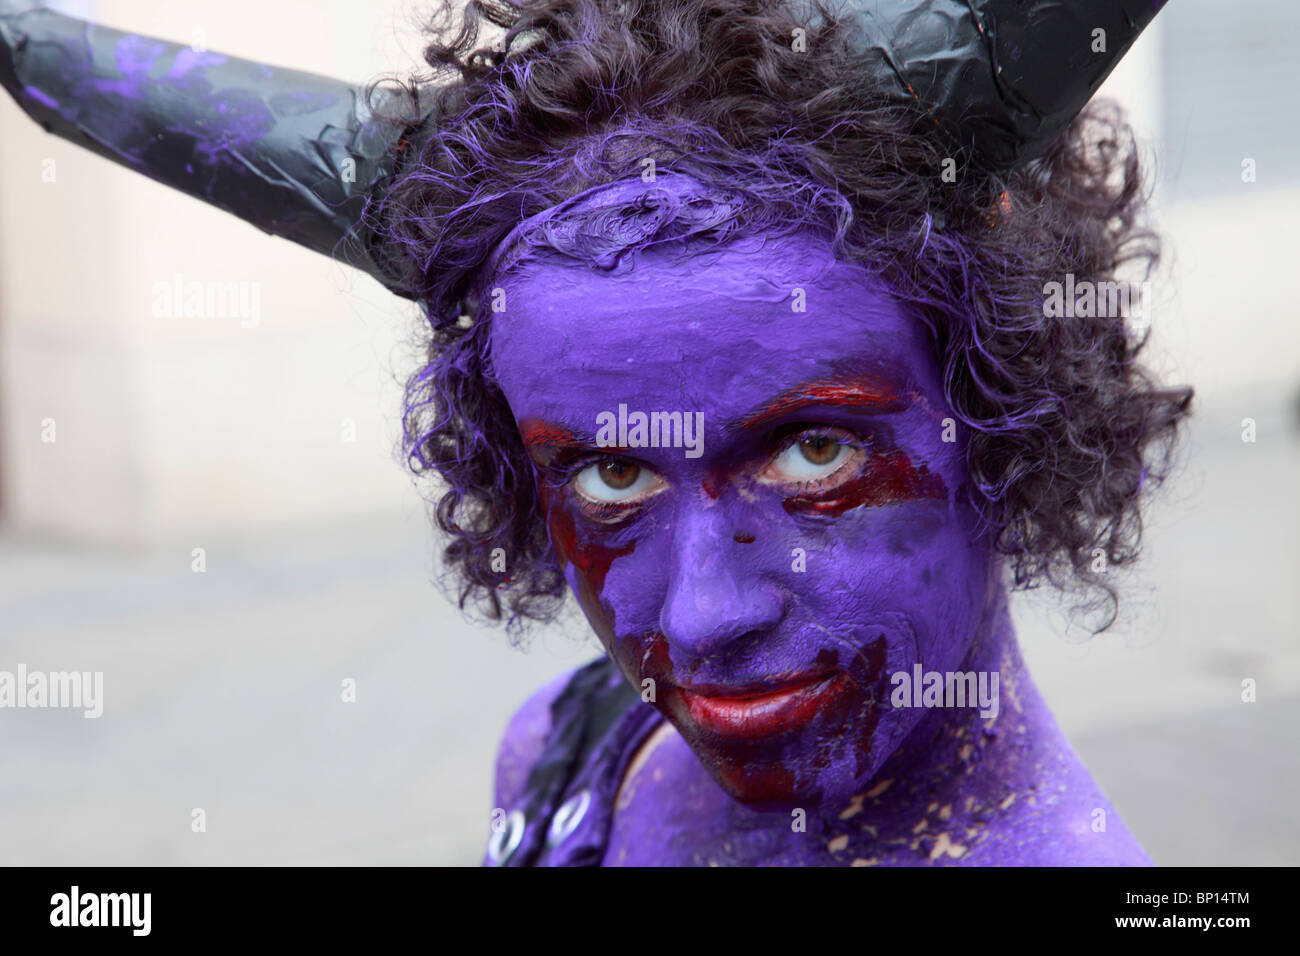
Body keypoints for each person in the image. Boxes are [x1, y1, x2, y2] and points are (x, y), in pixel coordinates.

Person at [1, 0, 1189, 865]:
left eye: (812, 451)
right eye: (612, 473)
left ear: (1012, 414)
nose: (701, 616)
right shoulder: (574, 756)